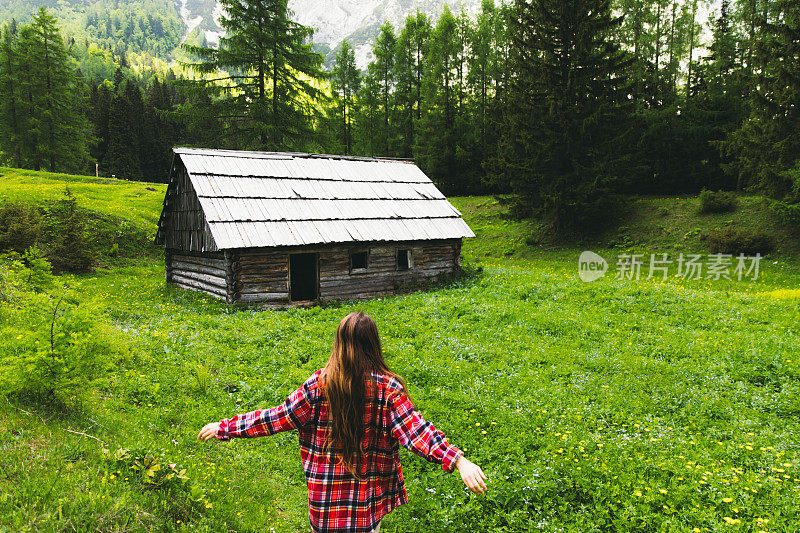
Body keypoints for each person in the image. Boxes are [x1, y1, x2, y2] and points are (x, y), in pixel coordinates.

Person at [198, 311, 487, 533]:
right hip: (365, 509)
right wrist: (459, 461)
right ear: (373, 344)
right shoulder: (387, 390)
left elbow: (276, 418)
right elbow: (416, 431)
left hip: (324, 507)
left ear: (339, 342)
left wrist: (226, 427)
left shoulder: (317, 386)